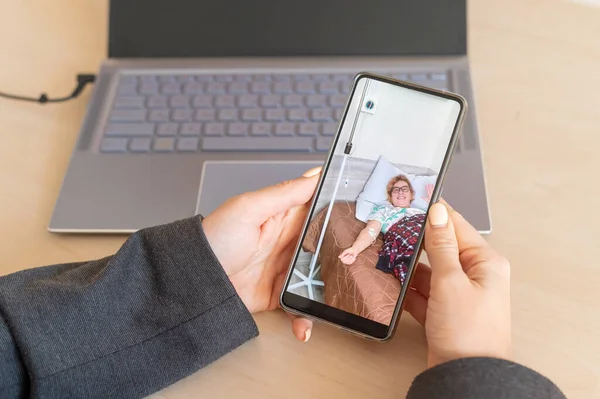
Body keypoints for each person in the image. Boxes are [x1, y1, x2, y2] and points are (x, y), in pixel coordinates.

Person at [0, 167, 566, 399]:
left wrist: (193, 276)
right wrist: (483, 372)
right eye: (392, 194)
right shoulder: (379, 212)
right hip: (382, 245)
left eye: (401, 195)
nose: (397, 199)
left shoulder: (412, 212)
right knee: (370, 247)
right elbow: (367, 230)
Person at [339, 175, 433, 284]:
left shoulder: (423, 212)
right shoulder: (384, 211)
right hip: (408, 240)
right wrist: (355, 249)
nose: (400, 192)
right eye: (395, 190)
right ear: (390, 196)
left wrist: (437, 205)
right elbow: (371, 231)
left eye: (405, 189)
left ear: (411, 194)